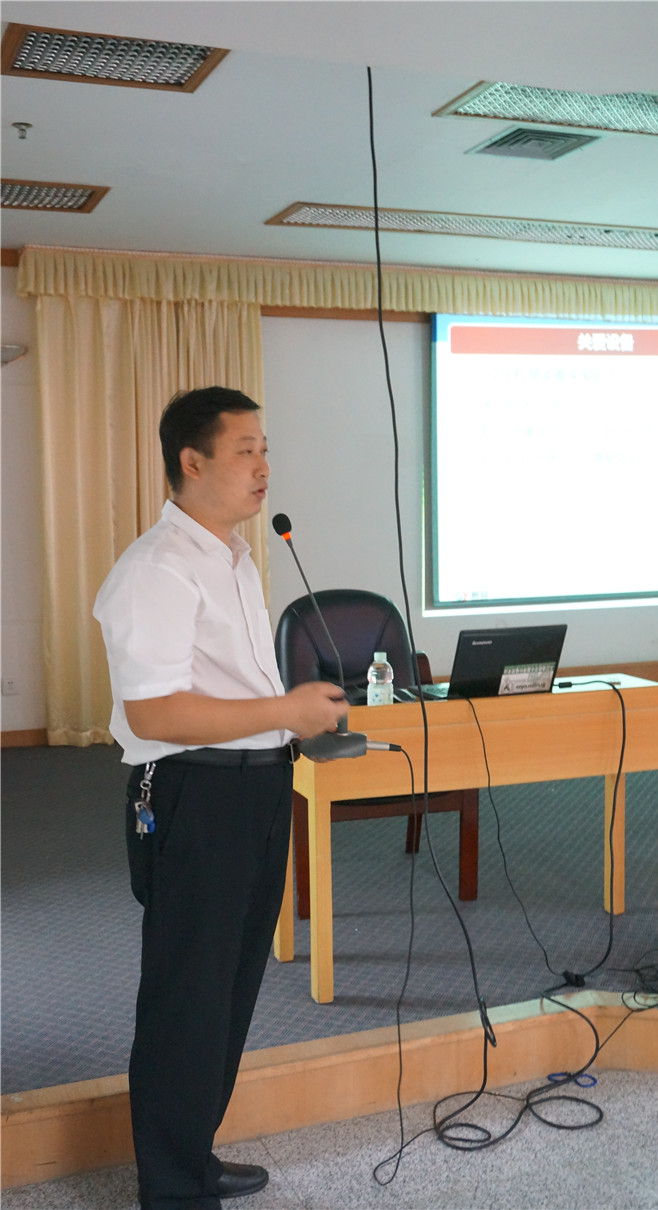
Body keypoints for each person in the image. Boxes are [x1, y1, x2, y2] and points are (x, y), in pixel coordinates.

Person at [94, 386, 346, 1210]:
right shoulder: (156, 570)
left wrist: (286, 724)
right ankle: (170, 1187)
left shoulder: (234, 556)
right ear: (192, 462)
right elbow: (155, 713)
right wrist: (284, 710)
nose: (263, 466)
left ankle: (191, 1157)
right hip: (195, 795)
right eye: (245, 450)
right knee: (188, 996)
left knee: (230, 989)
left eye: (265, 449)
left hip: (256, 788)